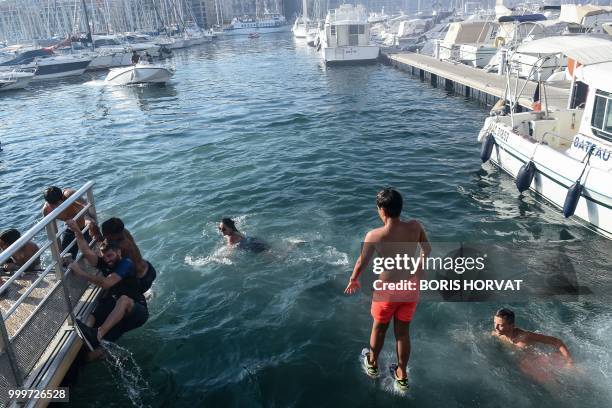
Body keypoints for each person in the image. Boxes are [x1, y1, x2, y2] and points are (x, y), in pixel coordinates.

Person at [344, 188, 431, 391]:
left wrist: (353, 279)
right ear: (400, 208)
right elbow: (426, 249)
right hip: (410, 288)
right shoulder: (415, 226)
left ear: (382, 209)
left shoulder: (375, 235)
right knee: (402, 334)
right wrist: (419, 270)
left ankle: (372, 364)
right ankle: (401, 375)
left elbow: (361, 262)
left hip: (387, 291)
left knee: (379, 328)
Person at [69, 236, 148, 360]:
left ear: (119, 252)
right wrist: (76, 230)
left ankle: (97, 334)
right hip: (117, 313)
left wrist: (80, 273)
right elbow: (86, 251)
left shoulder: (126, 263)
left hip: (136, 311)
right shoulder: (105, 262)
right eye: (104, 256)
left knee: (123, 300)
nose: (107, 260)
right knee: (93, 318)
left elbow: (107, 283)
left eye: (110, 255)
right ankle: (85, 343)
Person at [71, 218, 156, 294]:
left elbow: (106, 283)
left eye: (106, 236)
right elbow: (106, 242)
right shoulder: (122, 231)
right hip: (148, 268)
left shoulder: (124, 249)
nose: (105, 237)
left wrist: (80, 272)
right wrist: (91, 225)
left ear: (112, 236)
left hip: (142, 281)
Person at [492, 308, 573, 366]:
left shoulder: (525, 336)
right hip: (527, 365)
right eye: (495, 323)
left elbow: (557, 342)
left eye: (501, 325)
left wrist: (569, 362)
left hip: (544, 361)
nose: (496, 327)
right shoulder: (497, 334)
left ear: (512, 326)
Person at [42, 186, 91, 259]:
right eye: (53, 205)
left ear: (62, 197)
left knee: (91, 250)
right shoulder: (47, 210)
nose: (56, 207)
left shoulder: (69, 194)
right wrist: (59, 251)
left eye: (57, 203)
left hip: (84, 226)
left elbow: (87, 205)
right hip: (70, 230)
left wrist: (88, 219)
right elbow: (54, 232)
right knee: (65, 257)